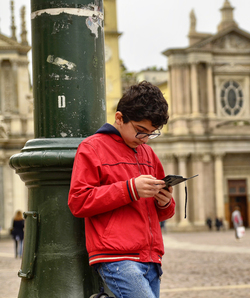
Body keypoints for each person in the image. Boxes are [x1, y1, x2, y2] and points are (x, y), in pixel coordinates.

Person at [68, 81, 176, 298]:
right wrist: (130, 189)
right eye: (140, 131)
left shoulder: (148, 154)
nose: (145, 139)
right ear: (119, 118)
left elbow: (164, 213)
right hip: (117, 258)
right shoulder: (92, 148)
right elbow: (78, 201)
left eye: (151, 133)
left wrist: (165, 202)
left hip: (151, 259)